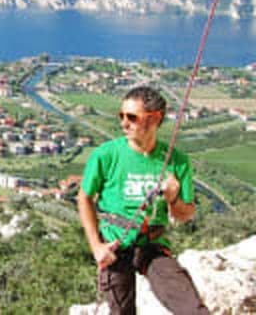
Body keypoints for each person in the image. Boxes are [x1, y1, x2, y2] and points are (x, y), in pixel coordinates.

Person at [77, 86, 209, 315]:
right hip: (115, 245)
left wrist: (173, 198)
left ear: (155, 118)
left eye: (131, 117)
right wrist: (96, 246)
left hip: (152, 244)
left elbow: (185, 214)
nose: (123, 123)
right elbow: (84, 197)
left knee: (191, 308)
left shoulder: (176, 161)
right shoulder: (106, 155)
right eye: (121, 116)